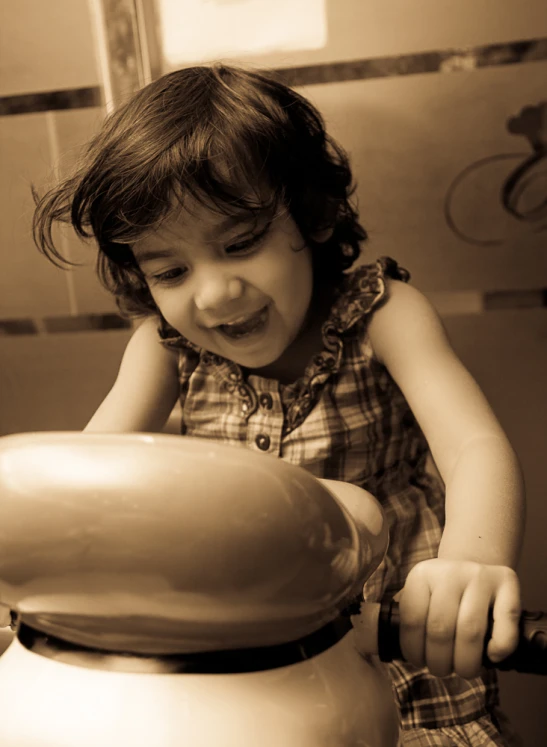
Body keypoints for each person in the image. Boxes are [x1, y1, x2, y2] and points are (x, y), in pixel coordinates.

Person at [33, 64, 525, 746]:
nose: (211, 294)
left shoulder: (383, 314)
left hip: (399, 638)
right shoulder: (165, 347)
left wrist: (470, 560)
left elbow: (470, 446)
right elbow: (85, 481)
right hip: (255, 654)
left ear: (314, 213)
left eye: (240, 243)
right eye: (170, 270)